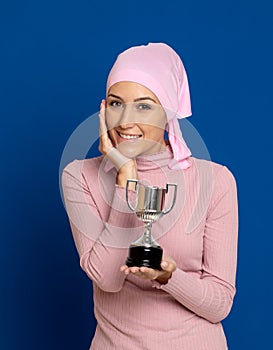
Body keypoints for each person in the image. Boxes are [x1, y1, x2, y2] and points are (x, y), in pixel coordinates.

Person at [61, 43, 238, 350]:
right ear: (103, 109)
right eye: (116, 104)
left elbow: (219, 305)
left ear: (168, 112)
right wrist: (125, 177)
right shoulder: (79, 176)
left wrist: (169, 276)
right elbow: (107, 279)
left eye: (144, 106)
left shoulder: (215, 181)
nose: (125, 121)